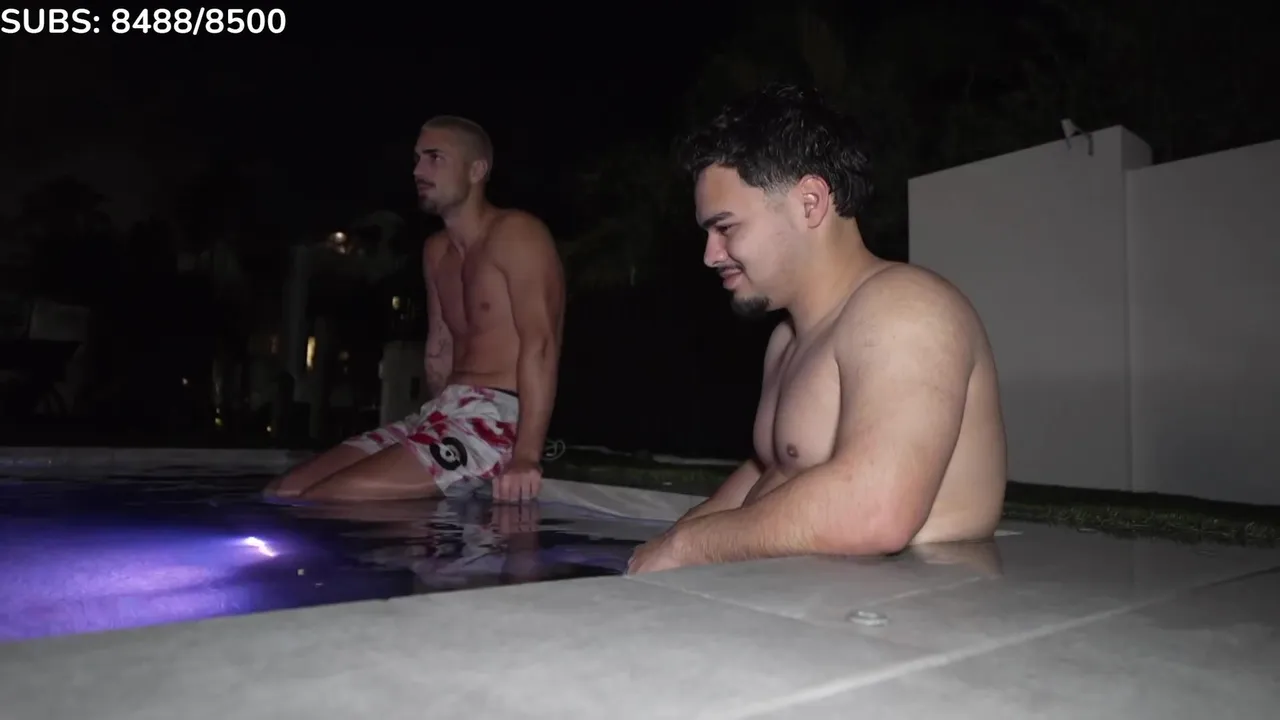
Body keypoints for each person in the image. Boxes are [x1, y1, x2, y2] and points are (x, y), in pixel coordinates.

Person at [628, 85, 1007, 574]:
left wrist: (686, 548)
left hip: (908, 609)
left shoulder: (906, 308)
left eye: (726, 227)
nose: (710, 255)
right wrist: (667, 545)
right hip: (824, 603)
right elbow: (772, 470)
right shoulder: (787, 340)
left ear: (809, 203)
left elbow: (876, 511)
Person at [264, 115, 565, 503]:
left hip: (497, 417)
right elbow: (439, 348)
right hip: (443, 411)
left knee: (331, 498)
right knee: (285, 492)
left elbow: (542, 345)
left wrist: (526, 455)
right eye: (417, 159)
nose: (418, 171)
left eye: (435, 158)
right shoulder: (436, 251)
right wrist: (433, 426)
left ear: (476, 170)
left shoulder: (517, 234)